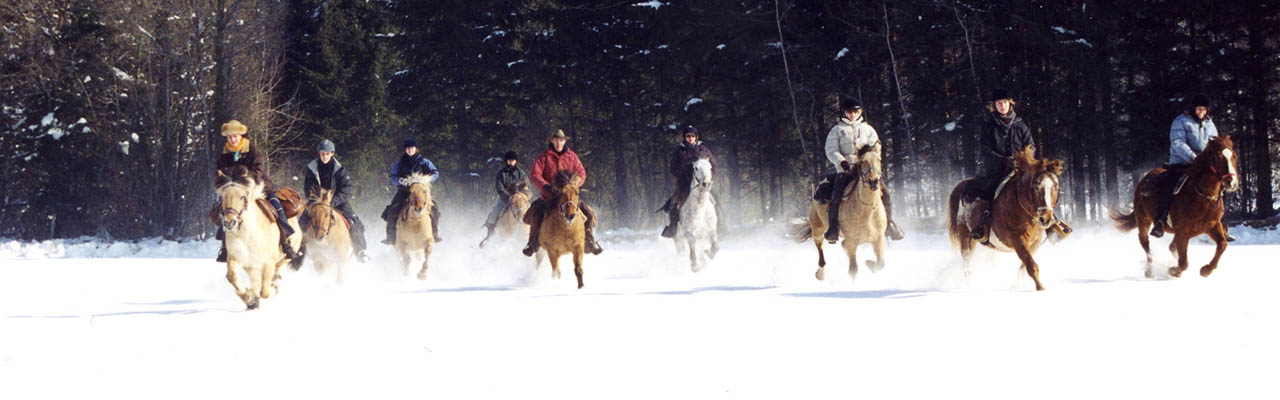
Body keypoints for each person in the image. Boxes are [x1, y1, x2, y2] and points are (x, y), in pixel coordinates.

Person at [963, 89, 1071, 242]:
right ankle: (982, 226)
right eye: (999, 103)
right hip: (995, 169)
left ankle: (1052, 223)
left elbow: (1031, 145)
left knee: (1038, 188)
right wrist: (1003, 160)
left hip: (1019, 168)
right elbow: (985, 149)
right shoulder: (989, 126)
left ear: (1010, 104)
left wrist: (1025, 159)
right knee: (987, 191)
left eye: (1005, 102)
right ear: (994, 106)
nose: (1002, 106)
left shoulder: (1020, 125)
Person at [214, 119, 300, 262]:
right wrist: (222, 178)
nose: (232, 139)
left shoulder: (251, 149)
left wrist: (247, 177)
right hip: (236, 192)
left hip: (259, 187)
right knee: (224, 211)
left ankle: (285, 242)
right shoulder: (224, 154)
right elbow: (219, 172)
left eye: (235, 136)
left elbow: (259, 169)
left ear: (241, 136)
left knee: (276, 207)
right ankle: (225, 245)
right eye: (229, 137)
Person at [822, 99, 906, 242]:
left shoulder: (868, 130)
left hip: (866, 171)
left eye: (856, 111)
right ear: (845, 112)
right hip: (846, 170)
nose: (852, 114)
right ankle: (833, 228)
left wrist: (873, 162)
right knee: (836, 196)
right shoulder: (836, 130)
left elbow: (876, 147)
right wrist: (841, 161)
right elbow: (831, 150)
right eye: (850, 111)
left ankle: (889, 224)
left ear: (860, 112)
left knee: (886, 193)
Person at [1151, 93, 1233, 241]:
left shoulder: (1210, 124)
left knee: (1219, 186)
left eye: (1204, 109)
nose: (1201, 112)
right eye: (1199, 109)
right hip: (1181, 162)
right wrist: (1195, 159)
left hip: (1205, 165)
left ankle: (1222, 223)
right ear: (1193, 108)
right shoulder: (1180, 121)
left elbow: (1214, 145)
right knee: (1169, 184)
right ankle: (1160, 221)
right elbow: (1177, 143)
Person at [522, 129, 604, 256]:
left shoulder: (572, 157)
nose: (558, 143)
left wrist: (575, 183)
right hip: (550, 197)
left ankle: (589, 241)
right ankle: (532, 243)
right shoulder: (544, 157)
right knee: (536, 212)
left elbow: (582, 173)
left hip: (569, 197)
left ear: (564, 141)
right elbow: (535, 174)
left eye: (561, 140)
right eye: (556, 140)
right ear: (552, 141)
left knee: (587, 214)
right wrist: (546, 186)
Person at [301, 139, 369, 261]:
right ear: (319, 154)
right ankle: (299, 252)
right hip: (317, 203)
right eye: (322, 154)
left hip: (337, 202)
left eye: (327, 154)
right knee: (302, 220)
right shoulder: (312, 169)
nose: (325, 156)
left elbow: (347, 187)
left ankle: (360, 251)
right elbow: (308, 186)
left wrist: (335, 200)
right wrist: (314, 200)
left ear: (332, 154)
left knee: (353, 221)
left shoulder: (340, 169)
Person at [380, 138, 442, 244]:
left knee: (434, 209)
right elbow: (393, 176)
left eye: (412, 148)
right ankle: (391, 236)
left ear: (416, 149)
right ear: (405, 150)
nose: (410, 150)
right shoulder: (400, 162)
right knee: (392, 209)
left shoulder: (424, 161)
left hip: (421, 192)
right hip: (404, 191)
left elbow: (435, 172)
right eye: (408, 148)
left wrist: (426, 180)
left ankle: (434, 234)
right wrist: (401, 181)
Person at [660, 124, 717, 238]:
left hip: (703, 183)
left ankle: (721, 226)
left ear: (696, 137)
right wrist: (681, 175)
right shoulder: (680, 151)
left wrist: (709, 177)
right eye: (688, 136)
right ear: (684, 137)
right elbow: (673, 167)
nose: (690, 138)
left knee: (716, 201)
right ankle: (673, 227)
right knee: (674, 203)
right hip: (684, 183)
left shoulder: (703, 150)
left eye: (692, 136)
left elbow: (713, 164)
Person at [478, 150, 529, 248]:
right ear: (506, 161)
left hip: (520, 198)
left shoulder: (521, 173)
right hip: (506, 198)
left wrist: (524, 195)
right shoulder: (502, 173)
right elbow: (499, 186)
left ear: (516, 161)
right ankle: (490, 235)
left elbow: (527, 186)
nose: (511, 162)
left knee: (531, 210)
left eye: (513, 160)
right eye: (509, 160)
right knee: (494, 213)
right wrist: (507, 195)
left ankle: (533, 237)